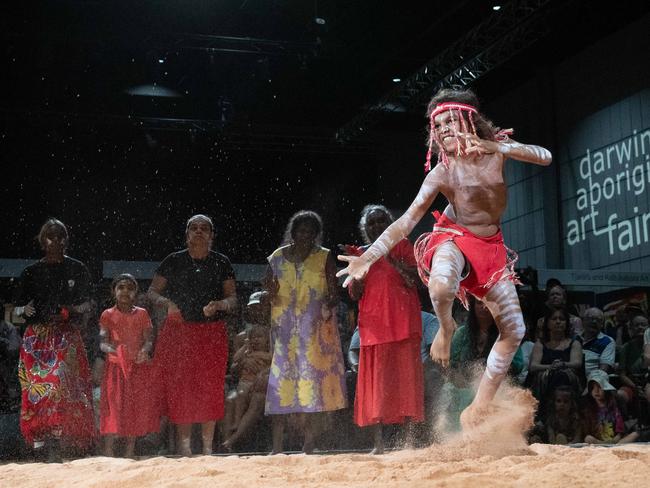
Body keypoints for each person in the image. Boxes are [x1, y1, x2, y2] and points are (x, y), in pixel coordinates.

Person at [337, 88, 552, 427]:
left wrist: (498, 146)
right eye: (439, 125)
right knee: (439, 287)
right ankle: (447, 328)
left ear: (472, 121)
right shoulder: (442, 172)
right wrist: (370, 256)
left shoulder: (497, 152)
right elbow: (406, 221)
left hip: (491, 248)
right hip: (453, 236)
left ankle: (478, 408)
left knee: (514, 330)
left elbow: (545, 157)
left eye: (452, 120)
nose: (446, 129)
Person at [148, 214, 237, 456]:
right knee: (181, 390)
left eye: (204, 228)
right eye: (194, 228)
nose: (199, 232)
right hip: (179, 334)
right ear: (187, 235)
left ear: (211, 236)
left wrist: (219, 305)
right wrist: (167, 304)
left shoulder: (221, 262)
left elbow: (233, 299)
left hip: (211, 334)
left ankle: (207, 448)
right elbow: (152, 293)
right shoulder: (173, 261)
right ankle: (186, 448)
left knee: (210, 388)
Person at [264, 210, 347, 454]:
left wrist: (326, 305)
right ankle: (277, 447)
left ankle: (309, 443)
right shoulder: (277, 258)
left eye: (311, 233)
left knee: (312, 388)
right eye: (302, 231)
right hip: (285, 333)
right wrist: (268, 292)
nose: (306, 236)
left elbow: (334, 293)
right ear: (293, 232)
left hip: (316, 333)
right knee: (280, 387)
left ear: (316, 235)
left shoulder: (324, 257)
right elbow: (267, 290)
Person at [13, 218, 95, 461]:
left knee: (60, 384)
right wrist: (23, 311)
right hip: (35, 340)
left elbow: (90, 303)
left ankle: (61, 440)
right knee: (34, 390)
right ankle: (38, 445)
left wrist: (72, 310)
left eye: (60, 236)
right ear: (42, 241)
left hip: (66, 337)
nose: (56, 240)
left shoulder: (78, 269)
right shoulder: (30, 272)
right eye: (50, 236)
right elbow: (14, 309)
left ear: (66, 240)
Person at [345, 205, 424, 454]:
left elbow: (418, 279)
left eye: (382, 221)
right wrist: (358, 271)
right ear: (365, 229)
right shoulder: (361, 254)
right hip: (374, 329)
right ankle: (378, 445)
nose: (377, 226)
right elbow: (355, 294)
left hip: (403, 326)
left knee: (406, 383)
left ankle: (409, 442)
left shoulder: (403, 246)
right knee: (376, 387)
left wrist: (388, 257)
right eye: (372, 223)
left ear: (390, 223)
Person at [99, 274, 158, 457]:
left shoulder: (142, 314)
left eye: (130, 288)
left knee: (133, 407)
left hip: (137, 368)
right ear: (114, 291)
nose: (125, 291)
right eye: (121, 287)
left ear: (135, 292)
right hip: (115, 368)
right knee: (113, 408)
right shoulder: (107, 314)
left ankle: (129, 452)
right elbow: (102, 342)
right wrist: (114, 351)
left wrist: (145, 351)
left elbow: (149, 340)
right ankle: (108, 452)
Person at [222, 324, 271, 451]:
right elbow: (235, 364)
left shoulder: (269, 354)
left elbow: (273, 365)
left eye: (260, 337)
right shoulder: (248, 352)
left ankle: (233, 439)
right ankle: (226, 441)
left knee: (248, 396)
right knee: (231, 399)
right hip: (244, 384)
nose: (256, 340)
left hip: (261, 388)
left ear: (267, 340)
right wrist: (245, 348)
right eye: (254, 337)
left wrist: (263, 372)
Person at [527, 308, 583, 406]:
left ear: (566, 323)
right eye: (554, 319)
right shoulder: (540, 343)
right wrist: (551, 367)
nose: (558, 322)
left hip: (568, 379)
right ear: (548, 323)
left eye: (561, 319)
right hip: (544, 380)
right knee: (553, 376)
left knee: (561, 375)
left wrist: (562, 365)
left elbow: (577, 363)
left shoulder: (575, 343)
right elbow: (533, 366)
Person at [581, 369, 638, 444]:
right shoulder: (588, 409)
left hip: (614, 441)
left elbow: (620, 431)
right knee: (588, 439)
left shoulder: (614, 407)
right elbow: (586, 432)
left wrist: (614, 440)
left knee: (635, 434)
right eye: (592, 387)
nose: (596, 391)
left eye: (599, 387)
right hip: (596, 441)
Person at [579, 307, 615, 376]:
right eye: (591, 318)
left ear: (602, 325)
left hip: (593, 381)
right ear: (583, 321)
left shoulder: (607, 341)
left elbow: (603, 370)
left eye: (598, 320)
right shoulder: (575, 338)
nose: (594, 322)